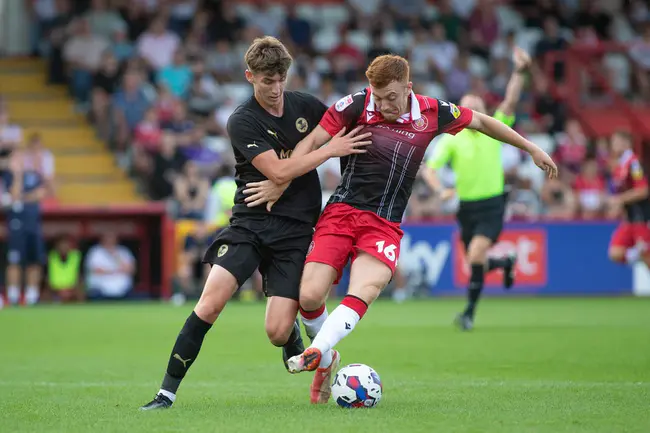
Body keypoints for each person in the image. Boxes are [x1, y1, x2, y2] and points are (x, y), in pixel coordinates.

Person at [243, 54, 557, 404]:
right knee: (310, 297)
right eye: (378, 97)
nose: (384, 105)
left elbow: (483, 122)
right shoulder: (356, 105)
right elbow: (311, 142)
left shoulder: (432, 112)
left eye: (391, 97)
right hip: (340, 214)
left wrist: (531, 147)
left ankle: (316, 352)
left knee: (367, 286)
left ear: (408, 88)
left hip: (383, 223)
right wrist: (282, 179)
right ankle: (328, 359)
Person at [140, 36, 371, 411]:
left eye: (281, 78)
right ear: (250, 77)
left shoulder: (306, 106)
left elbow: (344, 129)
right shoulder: (242, 120)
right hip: (250, 223)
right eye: (267, 81)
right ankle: (165, 394)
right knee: (211, 303)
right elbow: (279, 168)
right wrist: (324, 153)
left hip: (296, 229)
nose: (276, 88)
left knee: (278, 332)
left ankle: (295, 342)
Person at [421, 47, 531, 331]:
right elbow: (430, 169)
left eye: (476, 108)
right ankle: (506, 262)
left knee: (475, 255)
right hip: (466, 207)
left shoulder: (492, 131)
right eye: (467, 108)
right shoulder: (452, 139)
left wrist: (519, 71)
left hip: (493, 203)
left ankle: (468, 313)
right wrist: (439, 189)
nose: (472, 113)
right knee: (475, 260)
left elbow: (509, 101)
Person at [3, 134, 54, 306]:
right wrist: (17, 176)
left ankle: (32, 296)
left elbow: (42, 193)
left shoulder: (33, 175)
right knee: (15, 260)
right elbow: (13, 195)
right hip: (16, 222)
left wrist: (23, 197)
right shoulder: (8, 176)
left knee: (35, 260)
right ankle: (13, 296)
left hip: (33, 221)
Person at [606, 130, 650, 268]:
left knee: (647, 258)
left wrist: (620, 199)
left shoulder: (634, 163)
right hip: (629, 219)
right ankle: (637, 252)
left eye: (616, 142)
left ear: (626, 143)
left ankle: (640, 251)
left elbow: (643, 190)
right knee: (615, 253)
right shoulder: (620, 166)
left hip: (642, 218)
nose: (613, 145)